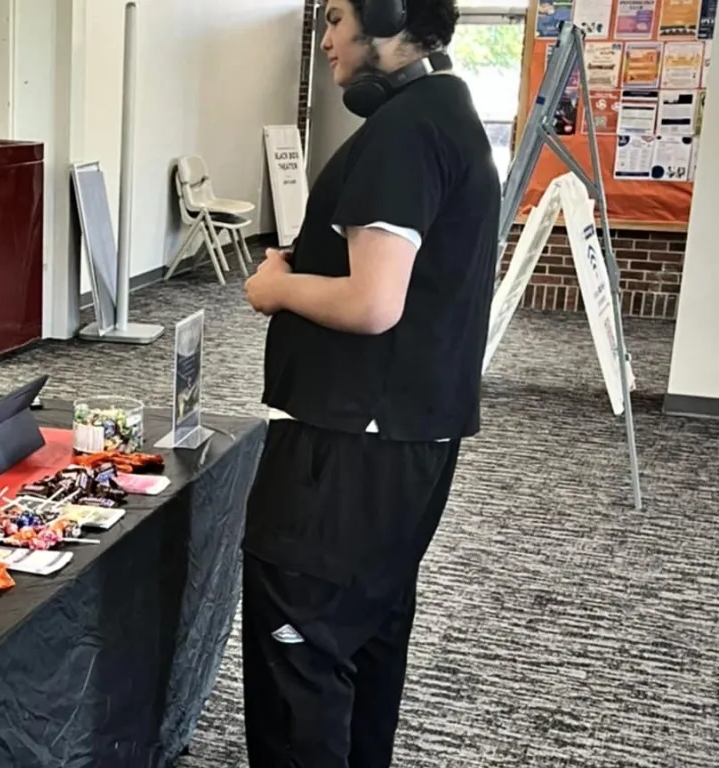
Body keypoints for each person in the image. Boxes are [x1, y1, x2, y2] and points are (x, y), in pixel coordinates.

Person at [238, 0, 499, 763]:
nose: (324, 41)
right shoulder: (447, 113)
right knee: (366, 631)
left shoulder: (406, 132)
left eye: (337, 19)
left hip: (356, 442)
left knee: (303, 645)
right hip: (403, 434)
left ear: (385, 22)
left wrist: (276, 290)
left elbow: (373, 301)